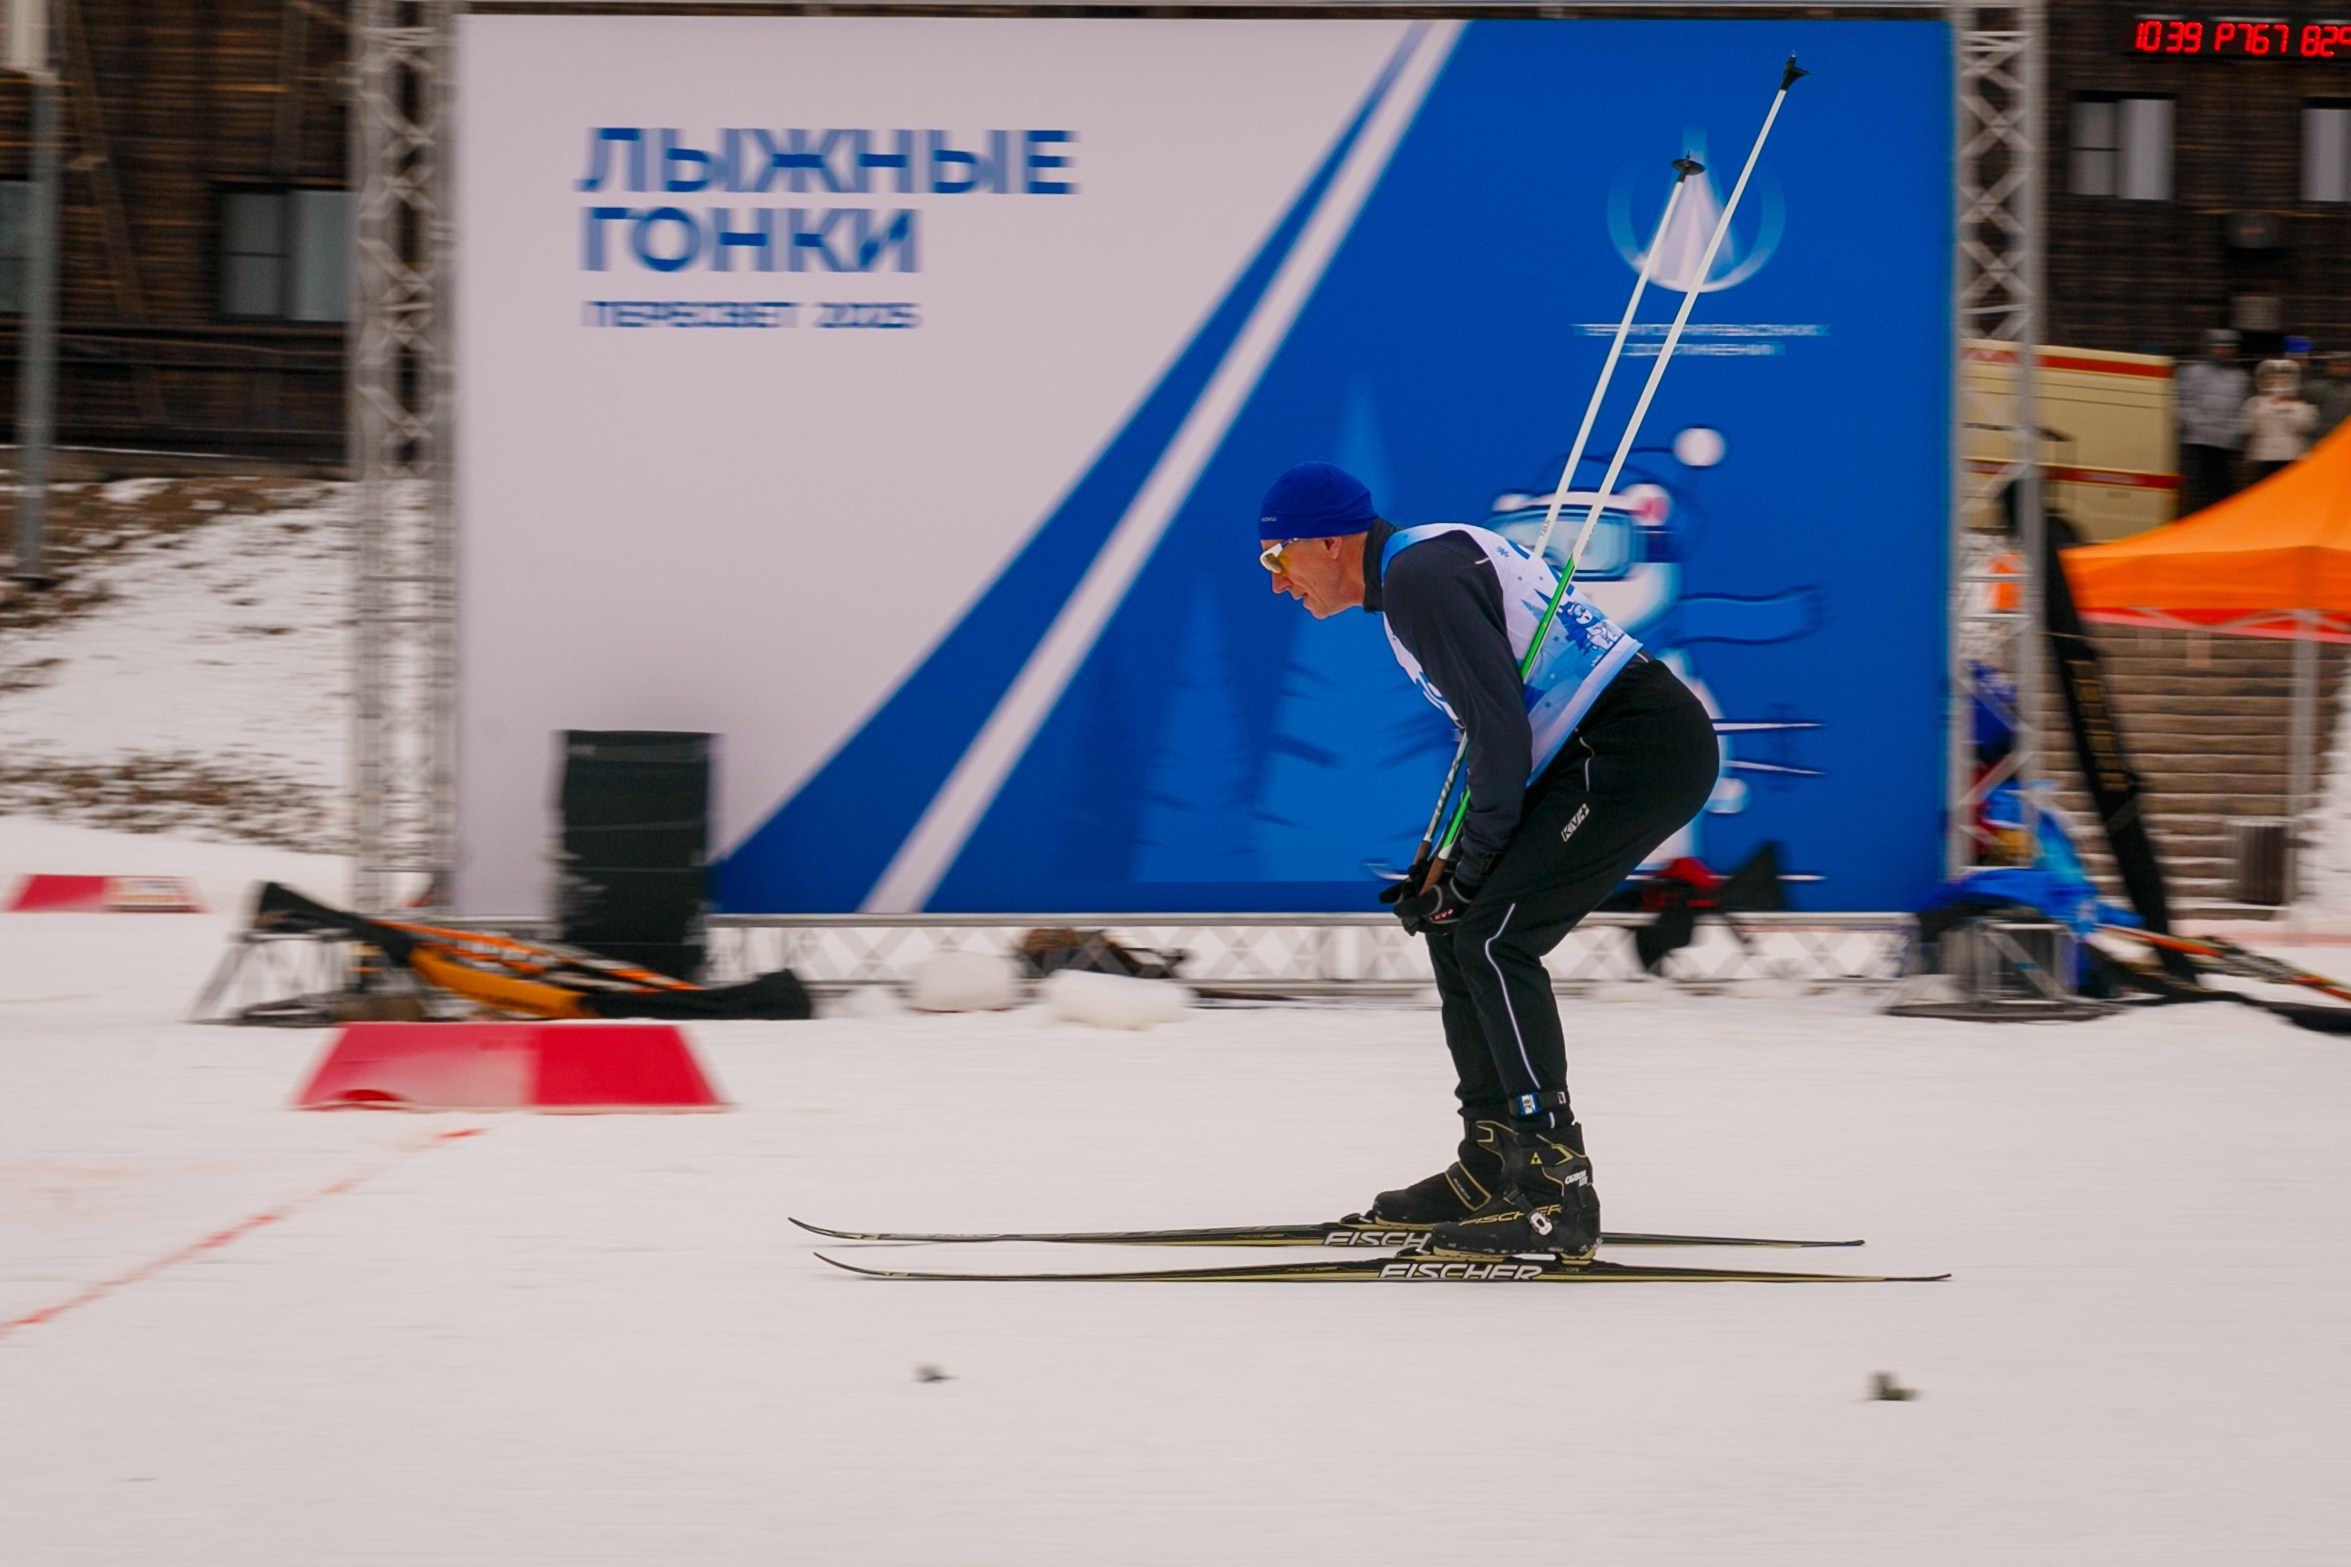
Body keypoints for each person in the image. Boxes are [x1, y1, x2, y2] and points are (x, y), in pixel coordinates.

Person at [1257, 462, 1718, 1259]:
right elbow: (1494, 735)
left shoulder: (1418, 581)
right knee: (1456, 924)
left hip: (1633, 748)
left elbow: (1501, 736)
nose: (1277, 582)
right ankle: (1493, 1160)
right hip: (1596, 750)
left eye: (1277, 558)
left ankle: (1553, 1186)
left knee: (1495, 939)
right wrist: (1446, 867)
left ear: (1327, 542)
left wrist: (1470, 867)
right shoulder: (1420, 562)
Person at [2175, 328, 2248, 517]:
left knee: (2222, 489)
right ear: (2210, 348)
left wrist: (2234, 433)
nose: (2225, 352)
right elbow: (2184, 402)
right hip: (2198, 441)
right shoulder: (2194, 372)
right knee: (2198, 486)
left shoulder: (2239, 378)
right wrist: (2197, 425)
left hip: (2224, 444)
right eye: (2220, 347)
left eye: (2229, 348)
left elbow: (2240, 409)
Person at [2241, 358, 2317, 485]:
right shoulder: (2254, 403)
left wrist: (2288, 407)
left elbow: (2306, 426)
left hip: (2291, 455)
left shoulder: (2298, 403)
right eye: (2272, 378)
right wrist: (2265, 408)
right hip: (2264, 456)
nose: (2277, 382)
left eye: (2282, 378)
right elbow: (2248, 427)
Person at [2309, 351, 2351, 442]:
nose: (2341, 369)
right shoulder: (2314, 387)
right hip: (2322, 438)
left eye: (2345, 366)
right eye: (2337, 365)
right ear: (2329, 367)